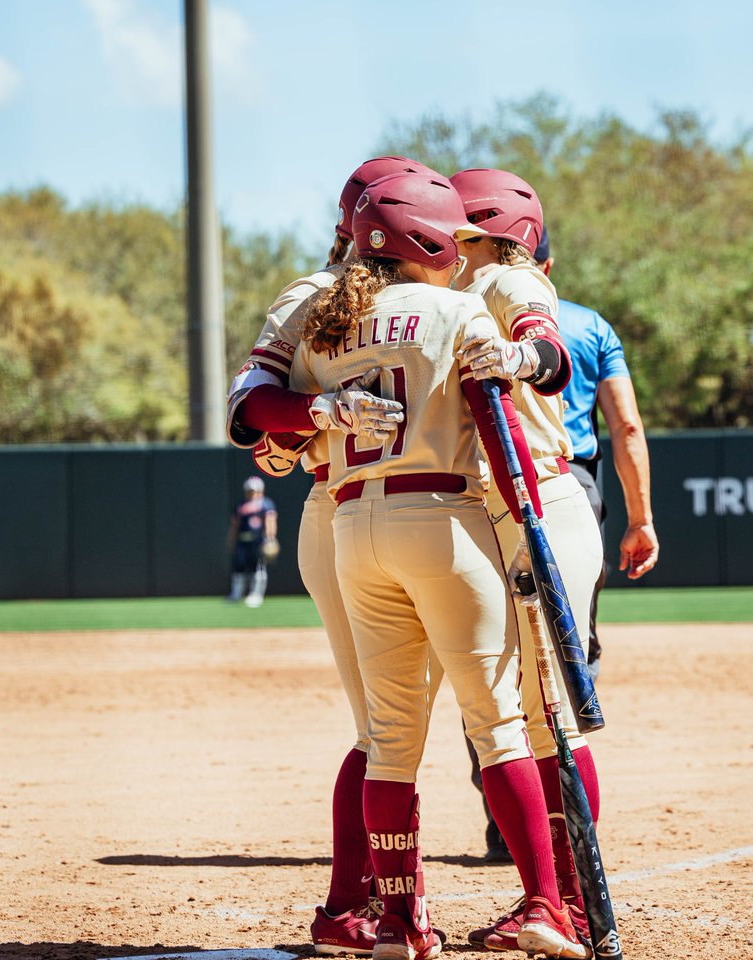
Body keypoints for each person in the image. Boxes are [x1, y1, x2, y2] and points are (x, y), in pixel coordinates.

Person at [243, 170, 588, 960]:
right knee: (498, 721)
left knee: (389, 735)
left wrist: (310, 418)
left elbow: (259, 422)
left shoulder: (328, 319)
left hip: (352, 523)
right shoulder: (461, 307)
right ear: (432, 239)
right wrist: (525, 529)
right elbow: (512, 411)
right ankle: (545, 901)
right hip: (446, 518)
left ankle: (396, 921)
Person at [227, 156, 440, 955]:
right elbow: (254, 426)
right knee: (383, 726)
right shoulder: (312, 296)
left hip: (444, 512)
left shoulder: (435, 297)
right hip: (344, 503)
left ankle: (380, 904)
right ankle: (356, 906)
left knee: (427, 719)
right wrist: (315, 416)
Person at [449, 168, 603, 949]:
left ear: (495, 232)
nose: (447, 241)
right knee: (514, 720)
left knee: (554, 725)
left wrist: (524, 359)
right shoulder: (456, 294)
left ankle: (569, 901)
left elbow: (545, 344)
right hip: (498, 509)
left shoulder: (507, 278)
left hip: (541, 503)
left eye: (460, 231)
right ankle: (549, 899)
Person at [534, 226, 660, 676]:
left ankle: (504, 747)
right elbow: (626, 426)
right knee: (575, 639)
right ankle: (571, 740)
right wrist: (640, 520)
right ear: (547, 268)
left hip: (488, 478)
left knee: (496, 643)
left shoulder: (470, 316)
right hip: (571, 482)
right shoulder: (591, 326)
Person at [226, 476, 278, 607]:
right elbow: (235, 525)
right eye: (250, 490)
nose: (252, 493)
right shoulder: (241, 505)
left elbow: (270, 521)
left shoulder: (266, 504)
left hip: (258, 540)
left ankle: (256, 595)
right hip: (242, 540)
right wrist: (231, 540)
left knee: (258, 567)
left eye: (255, 490)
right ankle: (236, 594)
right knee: (239, 567)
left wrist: (270, 538)